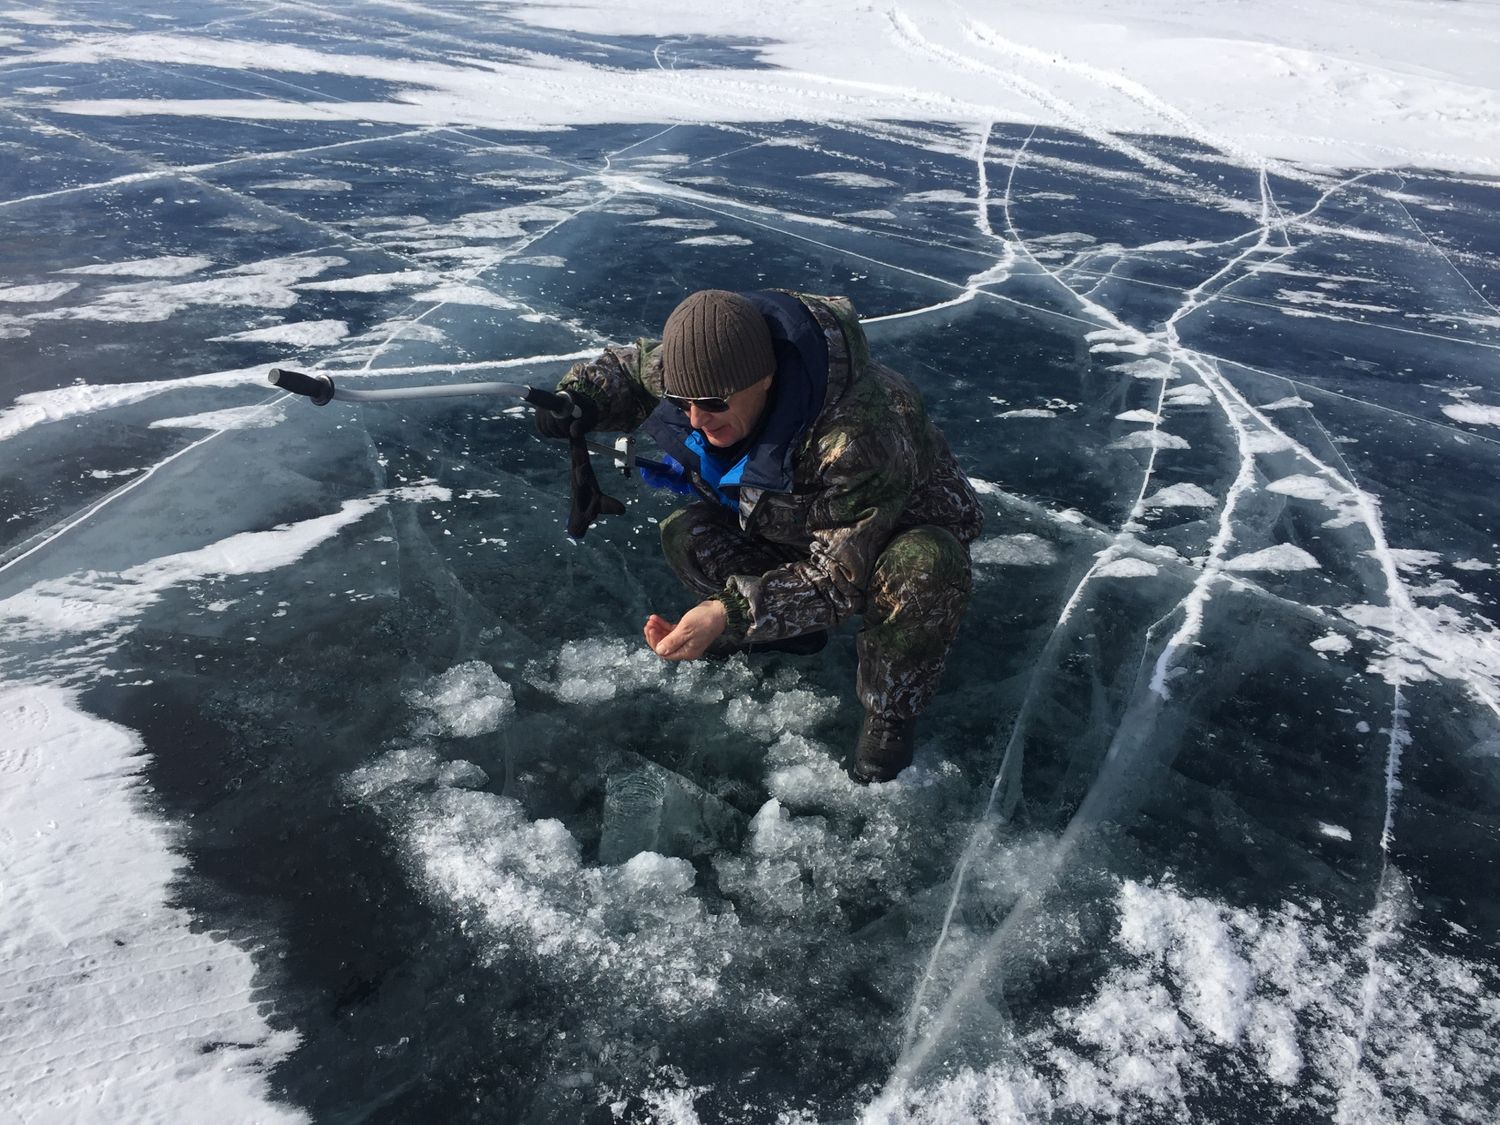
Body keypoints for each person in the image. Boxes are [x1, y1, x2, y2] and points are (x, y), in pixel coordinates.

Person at [538, 289, 981, 782]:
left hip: (884, 538)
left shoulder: (858, 433)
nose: (696, 420)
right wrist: (580, 399)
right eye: (683, 403)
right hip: (797, 520)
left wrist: (727, 612)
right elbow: (629, 368)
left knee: (925, 566)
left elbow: (838, 577)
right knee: (688, 535)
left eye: (711, 404)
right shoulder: (704, 370)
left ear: (765, 377)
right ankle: (794, 632)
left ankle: (891, 713)